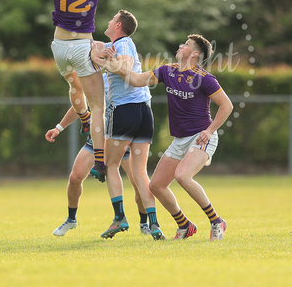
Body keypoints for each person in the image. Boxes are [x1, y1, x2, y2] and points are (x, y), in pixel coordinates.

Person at [95, 34, 233, 241]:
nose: (180, 45)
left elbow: (227, 106)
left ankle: (216, 221)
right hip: (180, 140)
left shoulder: (204, 78)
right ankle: (184, 225)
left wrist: (210, 131)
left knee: (183, 176)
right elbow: (135, 79)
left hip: (201, 137)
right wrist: (111, 62)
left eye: (186, 44)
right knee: (156, 185)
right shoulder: (167, 71)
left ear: (195, 53)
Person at [50, 0, 124, 182]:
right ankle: (100, 162)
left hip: (59, 47)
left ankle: (80, 118)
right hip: (82, 46)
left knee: (74, 86)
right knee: (98, 106)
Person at [91, 10, 166, 241]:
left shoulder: (123, 43)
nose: (108, 20)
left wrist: (100, 60)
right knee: (139, 172)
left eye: (112, 19)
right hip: (145, 112)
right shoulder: (120, 44)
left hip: (125, 111)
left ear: (119, 25)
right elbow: (89, 42)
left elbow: (124, 69)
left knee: (110, 164)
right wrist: (101, 54)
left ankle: (120, 217)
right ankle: (153, 224)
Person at [47, 103, 152, 237]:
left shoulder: (123, 84)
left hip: (122, 136)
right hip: (98, 139)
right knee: (75, 177)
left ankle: (144, 223)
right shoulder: (97, 82)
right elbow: (80, 104)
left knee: (138, 184)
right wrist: (58, 128)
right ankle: (71, 219)